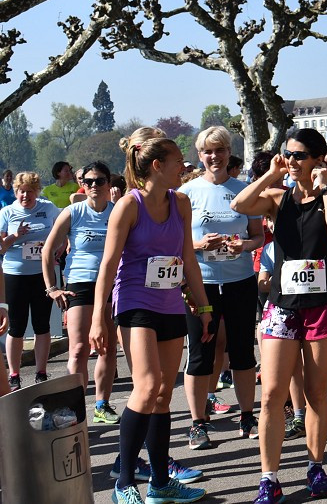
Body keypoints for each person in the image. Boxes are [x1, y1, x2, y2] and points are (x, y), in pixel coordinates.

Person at [89, 128, 212, 504]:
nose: (184, 167)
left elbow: (188, 259)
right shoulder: (129, 205)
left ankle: (161, 483)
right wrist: (98, 318)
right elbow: (107, 266)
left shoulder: (182, 203)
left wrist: (203, 307)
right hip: (134, 302)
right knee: (145, 387)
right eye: (178, 162)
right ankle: (124, 481)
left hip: (171, 304)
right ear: (157, 166)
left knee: (162, 395)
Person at [231, 128, 327, 502]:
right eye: (289, 154)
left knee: (316, 392)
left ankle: (316, 467)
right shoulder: (277, 198)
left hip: (322, 308)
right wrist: (271, 173)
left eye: (299, 155)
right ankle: (269, 478)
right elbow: (239, 205)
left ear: (318, 159)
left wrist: (325, 188)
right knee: (271, 395)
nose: (293, 161)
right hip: (282, 308)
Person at [179, 126, 264, 447]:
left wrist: (244, 246)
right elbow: (178, 240)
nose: (214, 157)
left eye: (220, 150)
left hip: (240, 281)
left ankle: (246, 416)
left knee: (242, 351)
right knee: (200, 354)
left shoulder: (245, 190)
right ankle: (198, 422)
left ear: (229, 153)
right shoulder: (188, 193)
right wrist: (200, 244)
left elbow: (258, 236)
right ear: (199, 156)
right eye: (208, 152)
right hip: (202, 284)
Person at [41, 162, 121, 423]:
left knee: (107, 348)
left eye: (99, 181)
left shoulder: (118, 212)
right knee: (78, 349)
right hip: (80, 282)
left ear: (109, 183)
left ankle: (102, 404)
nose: (94, 186)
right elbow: (47, 250)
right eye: (88, 182)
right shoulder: (73, 212)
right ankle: (74, 408)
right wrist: (52, 288)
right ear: (82, 185)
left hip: (112, 283)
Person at [0, 171, 61, 390]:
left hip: (42, 274)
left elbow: (64, 230)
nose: (25, 196)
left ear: (37, 191)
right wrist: (16, 236)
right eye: (21, 192)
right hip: (15, 273)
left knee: (41, 324)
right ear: (15, 191)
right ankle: (14, 374)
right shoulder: (7, 212)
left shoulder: (47, 208)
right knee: (16, 327)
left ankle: (41, 372)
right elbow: (1, 247)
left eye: (29, 192)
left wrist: (56, 251)